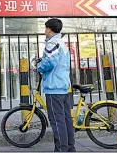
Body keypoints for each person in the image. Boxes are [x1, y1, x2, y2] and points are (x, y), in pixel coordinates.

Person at [35, 18, 75, 152]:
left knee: (57, 121)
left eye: (45, 28)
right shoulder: (61, 43)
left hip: (54, 87)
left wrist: (38, 66)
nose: (44, 31)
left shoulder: (51, 43)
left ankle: (61, 150)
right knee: (66, 119)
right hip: (63, 86)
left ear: (49, 29)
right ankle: (70, 148)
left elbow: (50, 63)